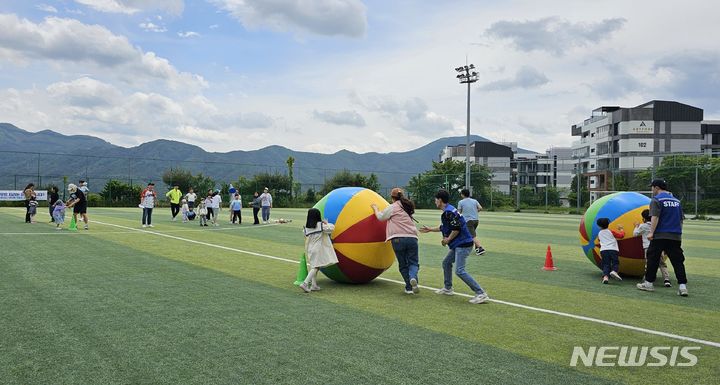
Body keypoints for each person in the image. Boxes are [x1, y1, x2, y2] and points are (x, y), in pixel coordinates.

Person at [419, 190, 489, 304]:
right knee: (446, 263)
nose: (435, 201)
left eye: (436, 199)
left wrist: (447, 239)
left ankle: (481, 293)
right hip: (459, 244)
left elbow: (456, 229)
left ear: (440, 200)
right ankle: (448, 288)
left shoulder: (449, 212)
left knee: (460, 271)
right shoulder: (449, 210)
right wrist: (430, 229)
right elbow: (445, 227)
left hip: (463, 244)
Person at [637, 179, 689, 296]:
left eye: (652, 187)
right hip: (675, 236)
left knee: (653, 259)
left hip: (660, 235)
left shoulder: (656, 200)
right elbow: (681, 220)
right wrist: (678, 233)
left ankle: (649, 283)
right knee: (678, 261)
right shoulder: (676, 201)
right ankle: (682, 286)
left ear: (656, 187)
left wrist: (651, 233)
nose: (652, 190)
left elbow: (655, 217)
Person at [371, 187, 420, 295]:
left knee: (403, 265)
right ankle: (413, 278)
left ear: (392, 197)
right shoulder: (407, 207)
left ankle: (409, 287)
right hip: (412, 238)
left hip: (397, 239)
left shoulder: (392, 207)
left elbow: (380, 217)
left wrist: (375, 209)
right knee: (413, 263)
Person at [299, 208, 339, 293]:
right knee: (316, 267)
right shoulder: (320, 225)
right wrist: (326, 223)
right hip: (317, 249)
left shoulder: (306, 228)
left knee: (314, 266)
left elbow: (305, 235)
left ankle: (314, 285)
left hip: (309, 249)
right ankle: (305, 283)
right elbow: (331, 228)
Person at [634, 209, 671, 287]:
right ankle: (666, 279)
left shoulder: (643, 226)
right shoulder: (658, 225)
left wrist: (636, 226)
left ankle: (647, 279)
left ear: (643, 218)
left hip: (648, 247)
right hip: (659, 246)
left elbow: (635, 234)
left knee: (649, 263)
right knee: (662, 264)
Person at [458, 188, 486, 255]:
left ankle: (480, 248)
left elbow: (459, 212)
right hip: (476, 220)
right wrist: (475, 212)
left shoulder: (461, 202)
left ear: (462, 194)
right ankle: (476, 248)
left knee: (472, 236)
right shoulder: (474, 201)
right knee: (473, 234)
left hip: (468, 221)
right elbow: (480, 208)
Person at [596, 217, 624, 284]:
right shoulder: (611, 231)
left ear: (599, 226)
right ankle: (614, 271)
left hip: (603, 250)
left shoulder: (599, 233)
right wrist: (621, 229)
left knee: (606, 264)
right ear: (608, 224)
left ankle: (605, 277)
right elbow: (621, 236)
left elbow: (599, 240)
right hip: (613, 249)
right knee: (615, 262)